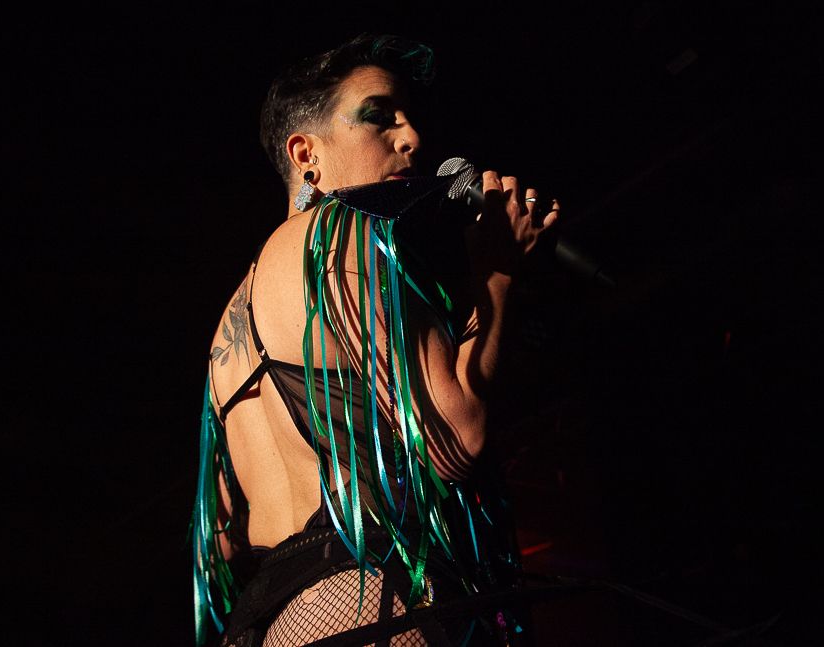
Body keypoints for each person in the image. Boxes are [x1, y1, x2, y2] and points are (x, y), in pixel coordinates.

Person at [191, 33, 560, 646]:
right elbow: (452, 440)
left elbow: (224, 540)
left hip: (272, 617)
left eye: (409, 117)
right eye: (378, 116)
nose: (411, 136)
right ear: (306, 154)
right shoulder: (344, 234)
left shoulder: (232, 321)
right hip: (365, 595)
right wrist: (498, 272)